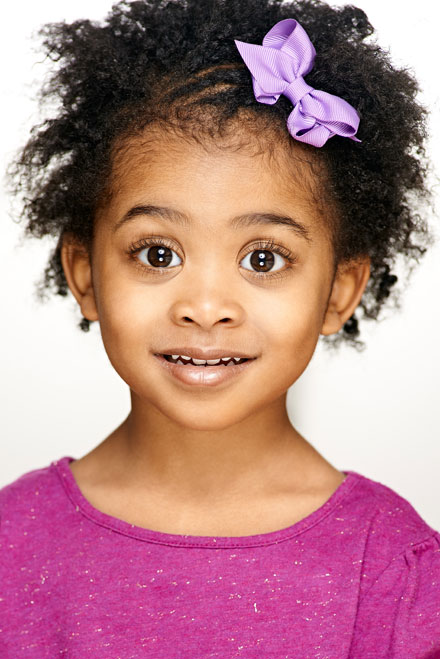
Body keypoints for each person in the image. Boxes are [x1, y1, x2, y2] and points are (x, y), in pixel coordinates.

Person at [1, 0, 439, 656]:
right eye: (158, 254)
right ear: (85, 273)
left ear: (339, 291)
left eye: (263, 258)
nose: (206, 307)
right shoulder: (12, 543)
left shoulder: (396, 570)